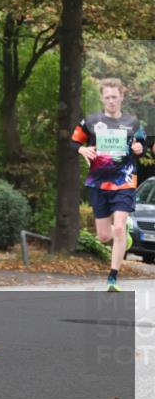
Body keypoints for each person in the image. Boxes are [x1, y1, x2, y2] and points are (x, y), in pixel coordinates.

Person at [71, 78, 147, 292]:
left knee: (120, 226)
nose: (111, 101)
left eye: (115, 97)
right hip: (98, 183)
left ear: (122, 97)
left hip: (124, 181)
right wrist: (81, 150)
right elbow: (73, 141)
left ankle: (112, 278)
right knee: (104, 236)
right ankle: (125, 238)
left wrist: (141, 148)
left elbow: (142, 145)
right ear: (102, 99)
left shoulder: (133, 123)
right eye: (107, 97)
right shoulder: (92, 121)